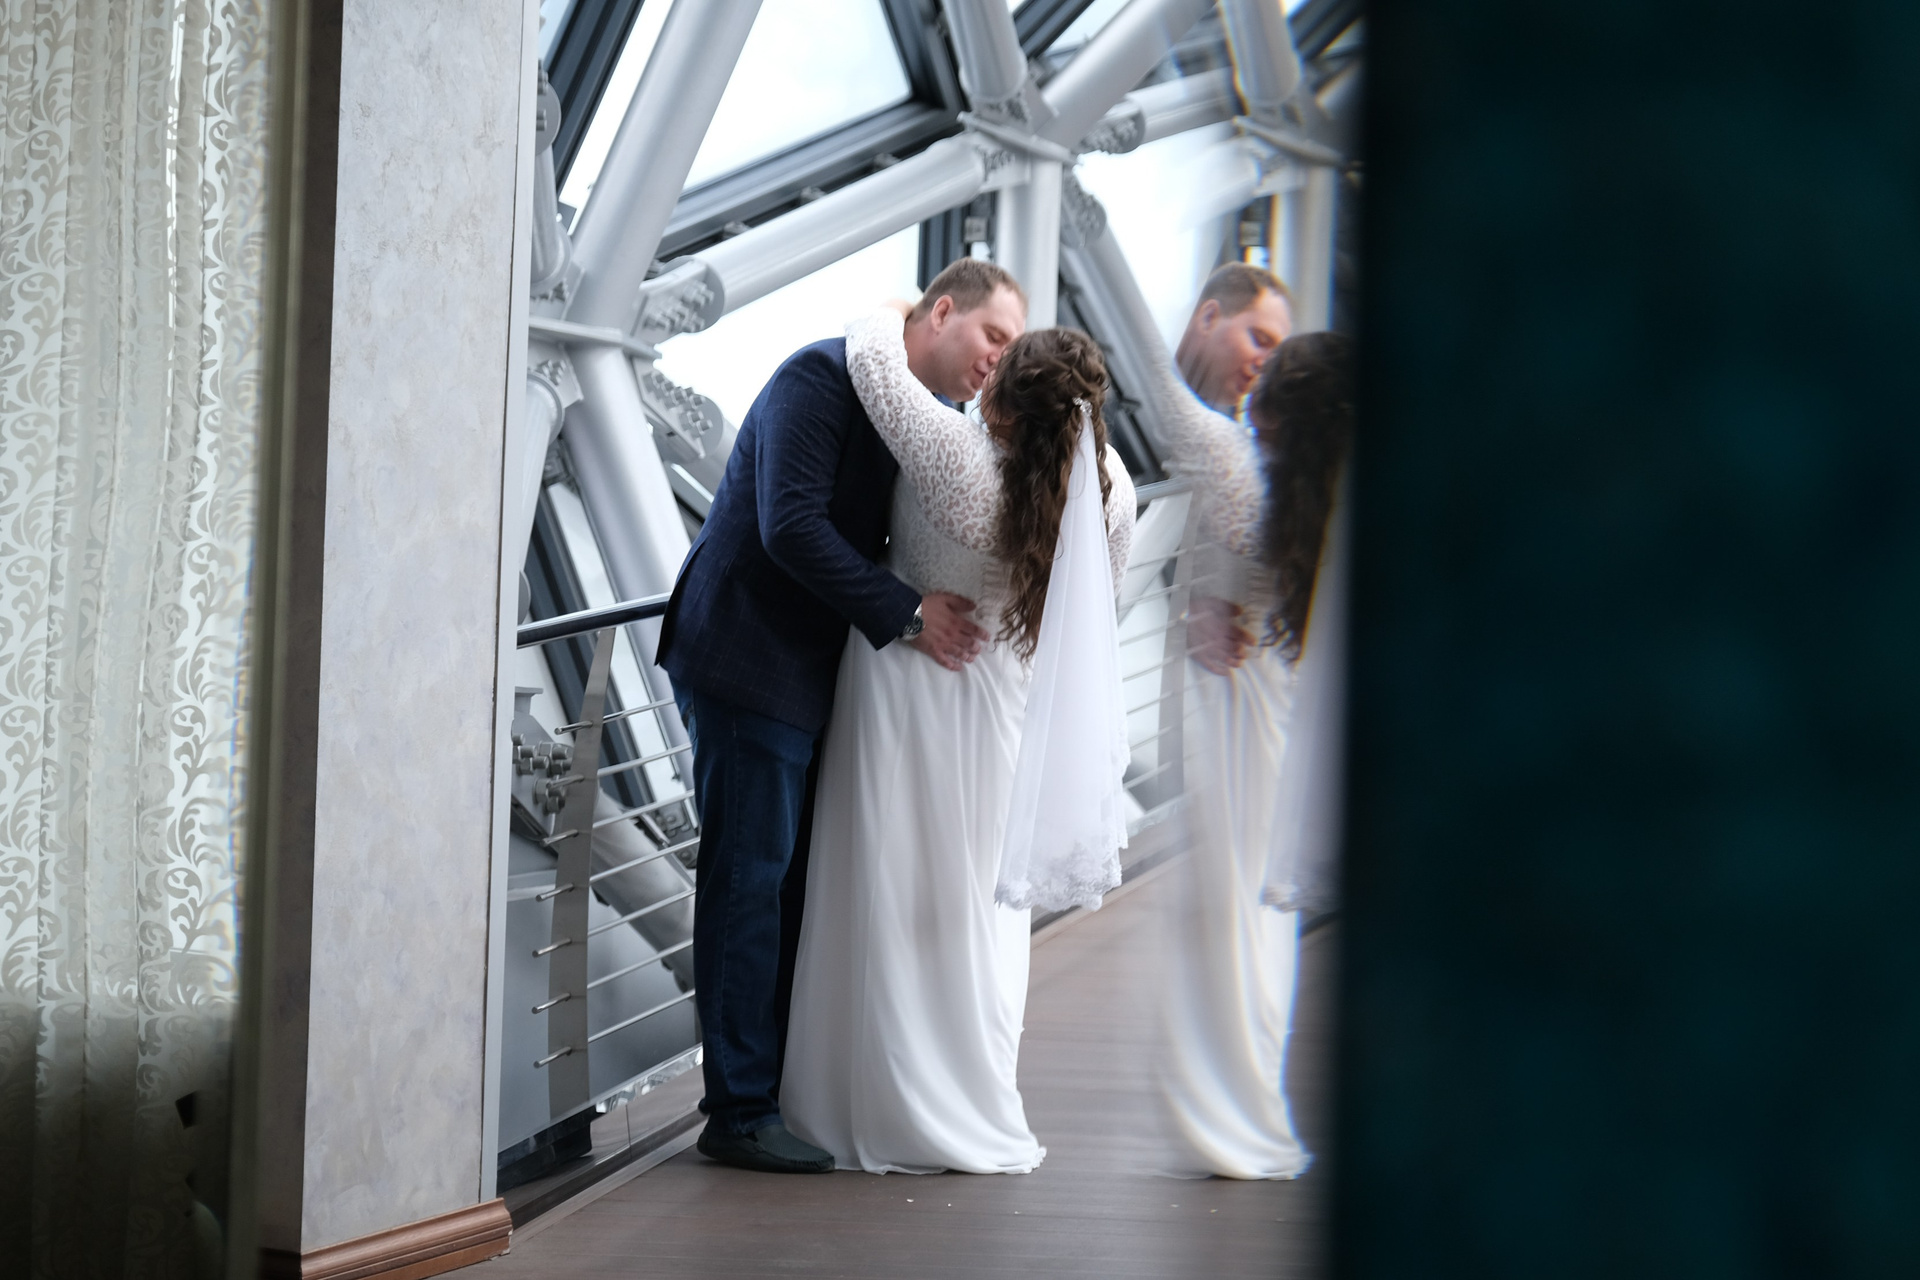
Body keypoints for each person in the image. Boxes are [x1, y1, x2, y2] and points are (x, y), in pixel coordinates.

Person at [655, 259, 1025, 1174]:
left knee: (784, 881)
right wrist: (908, 613)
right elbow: (789, 525)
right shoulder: (818, 376)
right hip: (748, 656)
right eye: (993, 335)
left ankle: (773, 1090)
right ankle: (737, 1112)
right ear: (943, 310)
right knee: (749, 879)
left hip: (810, 671)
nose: (999, 359)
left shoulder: (919, 414)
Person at [779, 306, 1137, 1174]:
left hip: (910, 688)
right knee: (973, 905)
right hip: (1003, 703)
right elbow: (1101, 608)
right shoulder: (1110, 493)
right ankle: (974, 1089)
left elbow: (872, 352)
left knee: (888, 887)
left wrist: (922, 310)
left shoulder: (958, 459)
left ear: (1005, 400)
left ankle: (880, 1097)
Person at [1159, 277, 1357, 1180]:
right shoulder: (1316, 504)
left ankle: (1232, 1099)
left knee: (1234, 908)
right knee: (1264, 917)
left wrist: (1205, 608)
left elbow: (1169, 404)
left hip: (1239, 717)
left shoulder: (1244, 478)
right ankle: (1253, 1090)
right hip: (1284, 713)